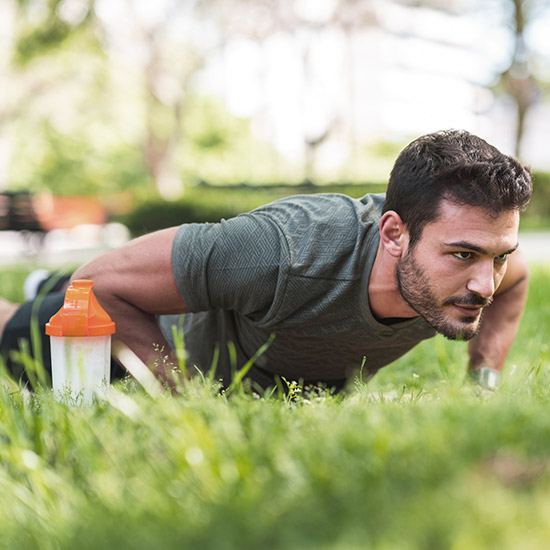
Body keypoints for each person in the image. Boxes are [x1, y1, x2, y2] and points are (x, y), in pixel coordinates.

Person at [0, 129, 532, 392]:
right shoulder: (282, 252)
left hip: (262, 359)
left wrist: (482, 382)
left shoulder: (479, 267)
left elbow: (515, 283)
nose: (485, 283)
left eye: (497, 256)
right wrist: (191, 408)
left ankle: (42, 282)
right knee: (17, 326)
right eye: (462, 256)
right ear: (394, 234)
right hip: (146, 330)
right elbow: (96, 283)